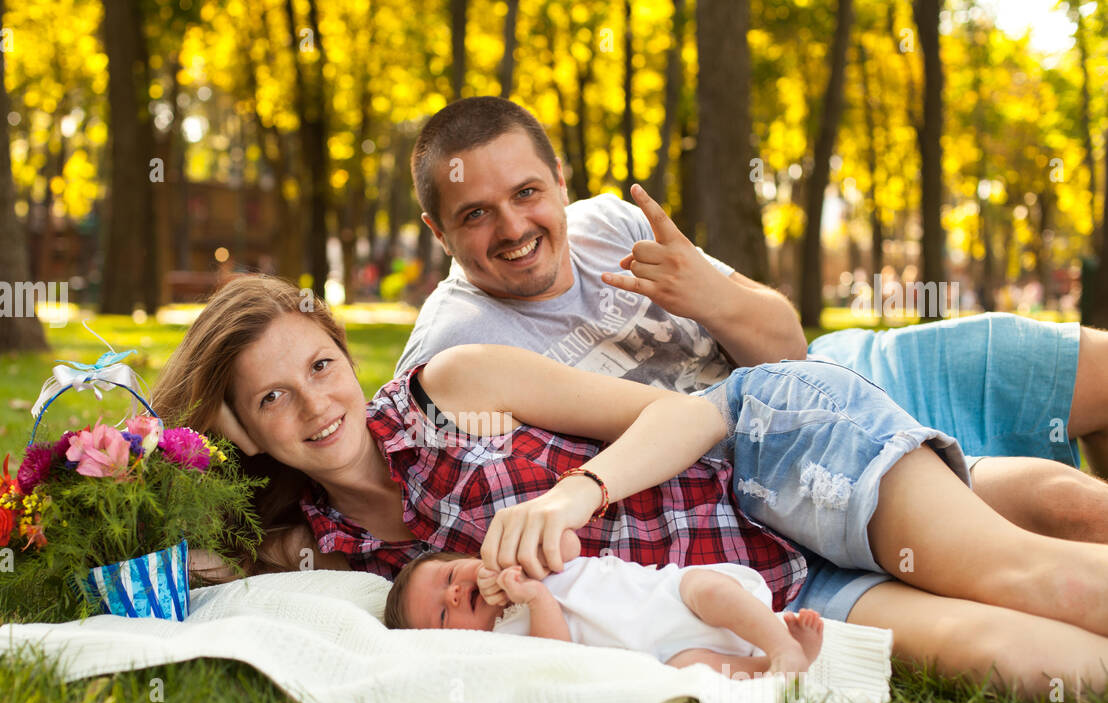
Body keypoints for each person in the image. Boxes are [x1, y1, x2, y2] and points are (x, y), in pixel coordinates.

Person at [153, 273, 1108, 700]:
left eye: (321, 367)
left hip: (777, 468)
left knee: (1040, 578)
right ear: (240, 428)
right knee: (1020, 662)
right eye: (272, 398)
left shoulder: (451, 386)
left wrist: (578, 496)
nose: (316, 406)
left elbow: (696, 413)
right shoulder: (323, 547)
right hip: (769, 599)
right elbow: (153, 556)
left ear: (344, 355)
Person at [395, 96, 1108, 545]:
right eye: (475, 214)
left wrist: (708, 294)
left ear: (561, 182)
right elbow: (396, 488)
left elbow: (786, 341)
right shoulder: (454, 347)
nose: (514, 227)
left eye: (527, 193)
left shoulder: (612, 225)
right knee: (1071, 510)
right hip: (802, 459)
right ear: (437, 229)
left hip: (845, 366)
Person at [384, 547, 826, 680]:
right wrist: (537, 600)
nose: (457, 594)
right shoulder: (505, 644)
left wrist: (514, 570)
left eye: (448, 577)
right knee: (693, 668)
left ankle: (779, 642)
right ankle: (771, 666)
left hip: (669, 596)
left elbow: (564, 541)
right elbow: (559, 658)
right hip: (667, 653)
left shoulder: (518, 559)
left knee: (707, 587)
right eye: (443, 615)